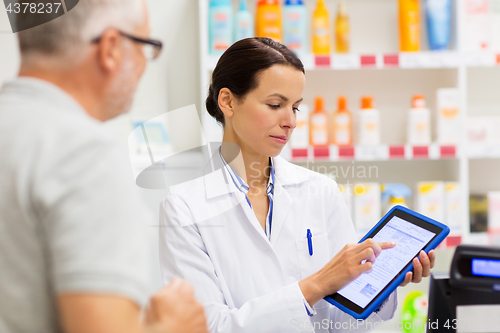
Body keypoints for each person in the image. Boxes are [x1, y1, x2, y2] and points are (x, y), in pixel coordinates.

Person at [159, 38, 435, 333]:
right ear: (227, 101)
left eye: (296, 107)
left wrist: (381, 282)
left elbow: (343, 324)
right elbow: (205, 327)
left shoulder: (320, 190)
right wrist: (316, 285)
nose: (290, 121)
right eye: (275, 105)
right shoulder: (184, 207)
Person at [0, 1, 207, 333]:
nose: (144, 65)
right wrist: (172, 326)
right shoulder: (84, 155)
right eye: (146, 47)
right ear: (110, 48)